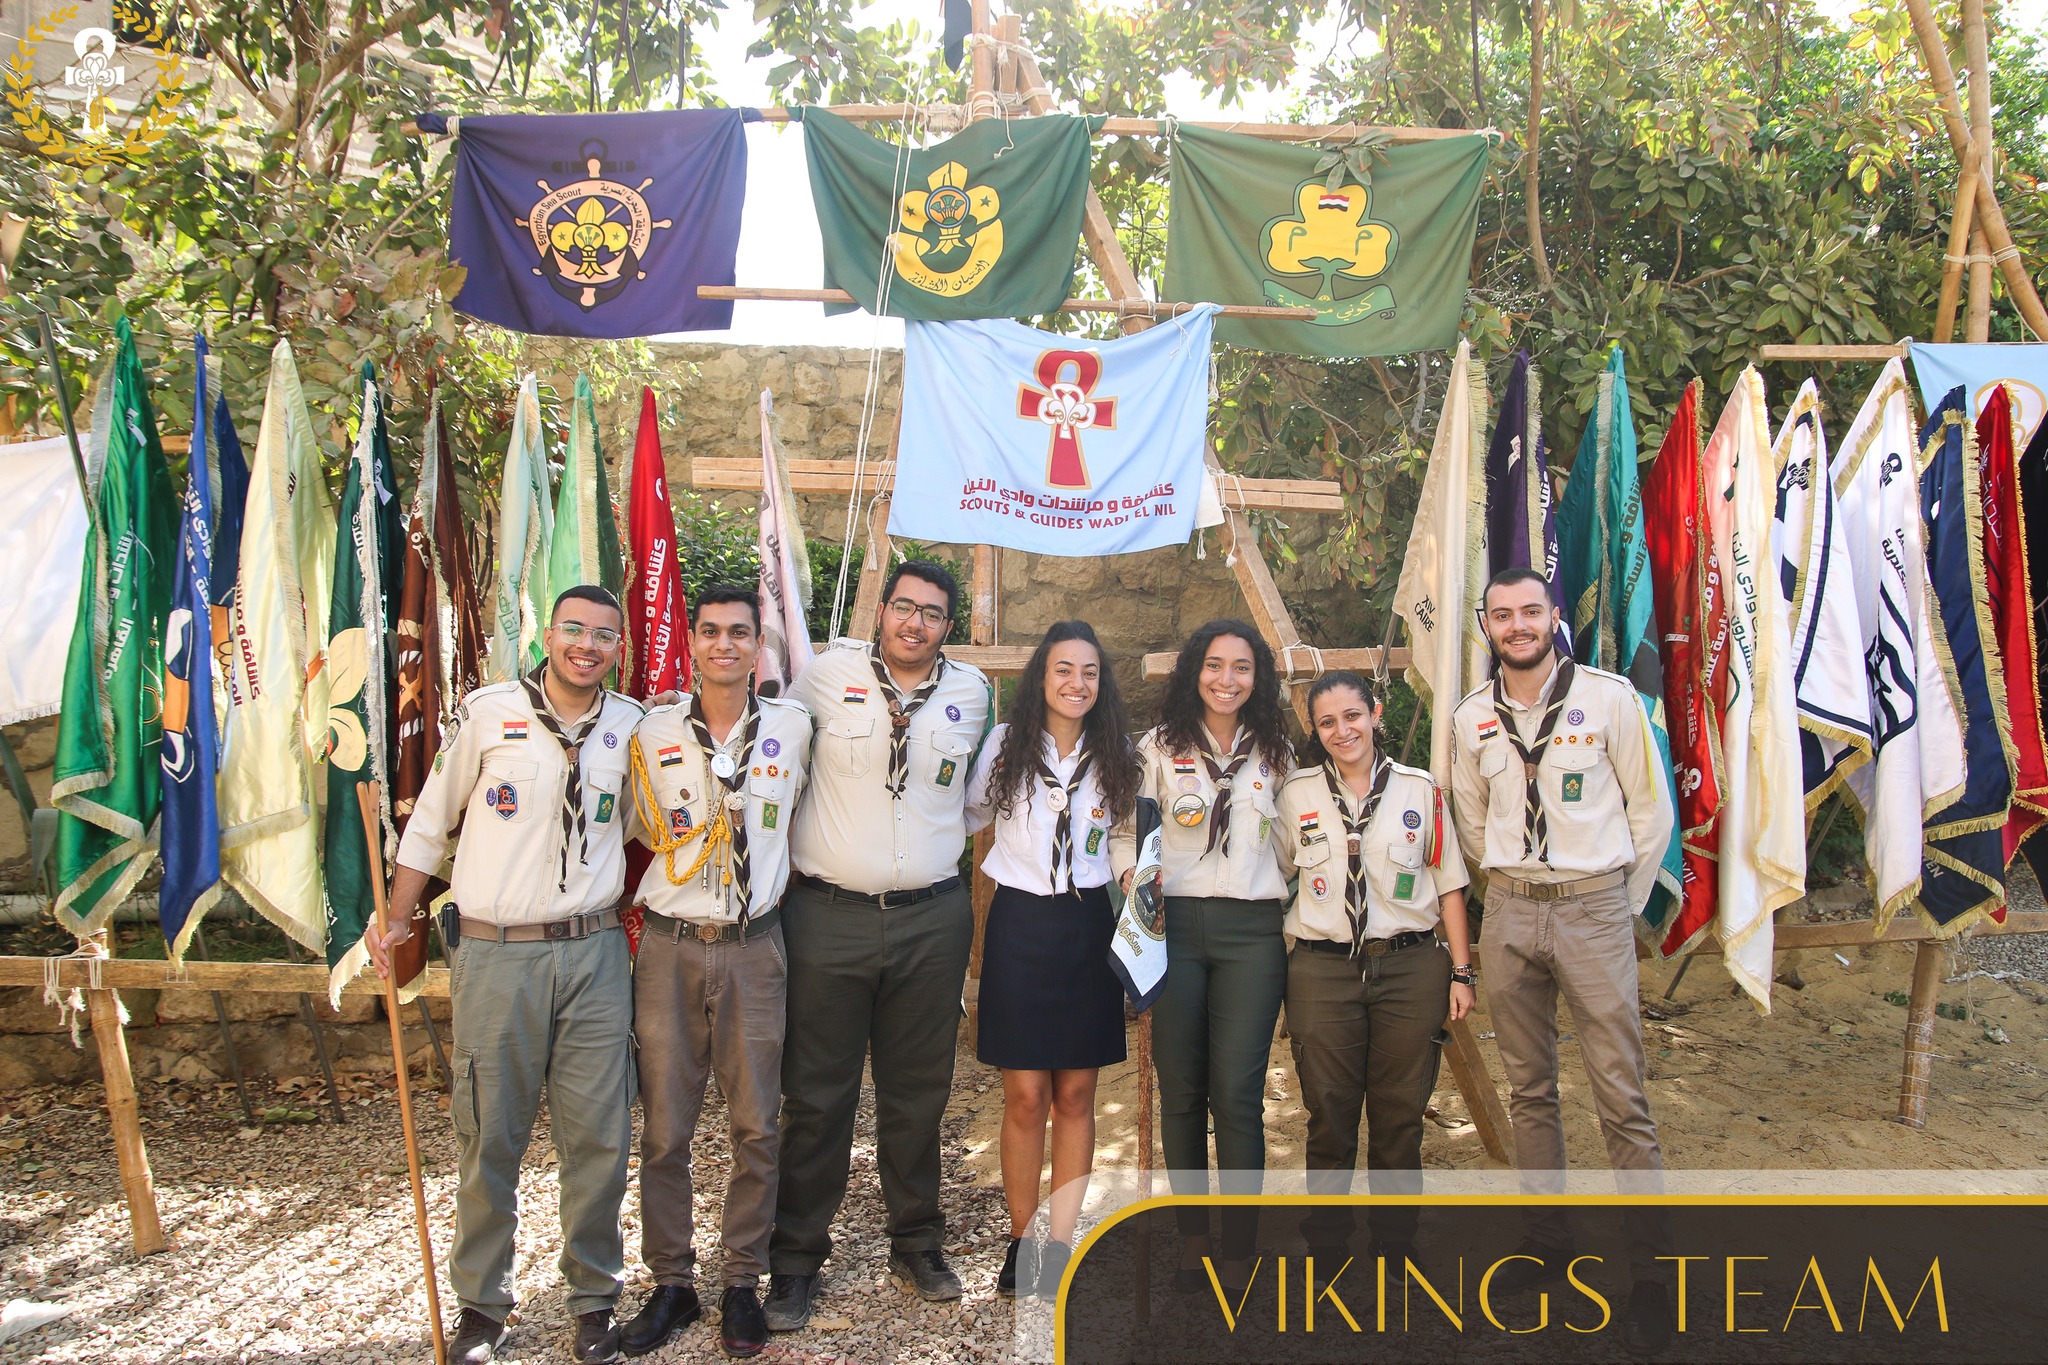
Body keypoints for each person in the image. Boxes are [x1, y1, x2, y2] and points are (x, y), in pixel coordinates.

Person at [370, 586, 645, 1365]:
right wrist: (398, 916)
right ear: (548, 636)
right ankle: (482, 1307)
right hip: (497, 954)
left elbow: (638, 824)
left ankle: (594, 1297)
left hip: (594, 951)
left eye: (603, 635)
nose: (586, 645)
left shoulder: (630, 726)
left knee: (599, 1133)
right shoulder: (489, 712)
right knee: (489, 1132)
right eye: (573, 629)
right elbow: (431, 820)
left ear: (618, 648)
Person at [1447, 566, 1676, 1354]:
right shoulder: (1472, 717)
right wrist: (1510, 888)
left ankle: (1650, 1270)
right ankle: (1547, 1239)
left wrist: (1616, 904)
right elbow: (1471, 822)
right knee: (1529, 1088)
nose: (1517, 626)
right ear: (1486, 625)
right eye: (1502, 615)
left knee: (1621, 1091)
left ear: (1552, 618)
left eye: (1530, 612)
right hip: (1512, 911)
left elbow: (1650, 813)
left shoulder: (1610, 699)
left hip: (1593, 906)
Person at [765, 561, 994, 1330]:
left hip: (932, 918)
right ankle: (796, 1257)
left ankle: (917, 1242)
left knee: (919, 1091)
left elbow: (973, 799)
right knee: (816, 1094)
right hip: (829, 916)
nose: (914, 622)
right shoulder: (823, 677)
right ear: (882, 610)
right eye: (904, 606)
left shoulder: (972, 693)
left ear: (948, 627)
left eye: (932, 613)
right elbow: (774, 760)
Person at [614, 585, 812, 1360]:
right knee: (665, 1126)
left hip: (754, 946)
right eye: (710, 631)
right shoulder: (652, 727)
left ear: (759, 645)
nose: (724, 644)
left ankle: (740, 1281)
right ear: (692, 642)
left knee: (757, 1121)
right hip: (669, 945)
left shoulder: (793, 726)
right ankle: (671, 1281)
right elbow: (634, 823)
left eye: (739, 632)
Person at [1112, 619, 1292, 1295]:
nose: (1226, 679)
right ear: (1194, 671)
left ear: (1257, 677)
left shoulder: (1276, 752)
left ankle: (1240, 1247)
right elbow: (1124, 830)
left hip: (1252, 934)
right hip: (1177, 931)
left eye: (1241, 667)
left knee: (1239, 1095)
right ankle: (1193, 1239)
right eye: (1214, 665)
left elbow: (1294, 843)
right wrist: (1133, 879)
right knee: (1182, 1091)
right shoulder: (1158, 747)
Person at [1274, 671, 1474, 1269]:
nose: (1342, 731)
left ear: (1376, 714)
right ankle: (1327, 1241)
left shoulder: (1420, 789)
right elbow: (1271, 875)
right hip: (1323, 971)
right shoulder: (1297, 794)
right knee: (1329, 1113)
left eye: (1352, 716)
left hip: (1410, 969)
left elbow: (1450, 885)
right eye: (1327, 722)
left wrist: (1462, 972)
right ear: (1316, 730)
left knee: (1399, 1114)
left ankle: (1394, 1241)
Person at [964, 621, 1139, 1302]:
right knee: (1026, 1094)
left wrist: (1138, 886)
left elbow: (1124, 835)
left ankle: (1062, 1244)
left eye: (1089, 672)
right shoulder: (1008, 744)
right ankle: (1021, 1240)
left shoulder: (1117, 751)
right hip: (1021, 924)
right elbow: (972, 810)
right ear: (1041, 676)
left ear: (1101, 683)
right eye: (1063, 669)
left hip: (1086, 925)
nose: (1076, 683)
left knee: (1075, 1095)